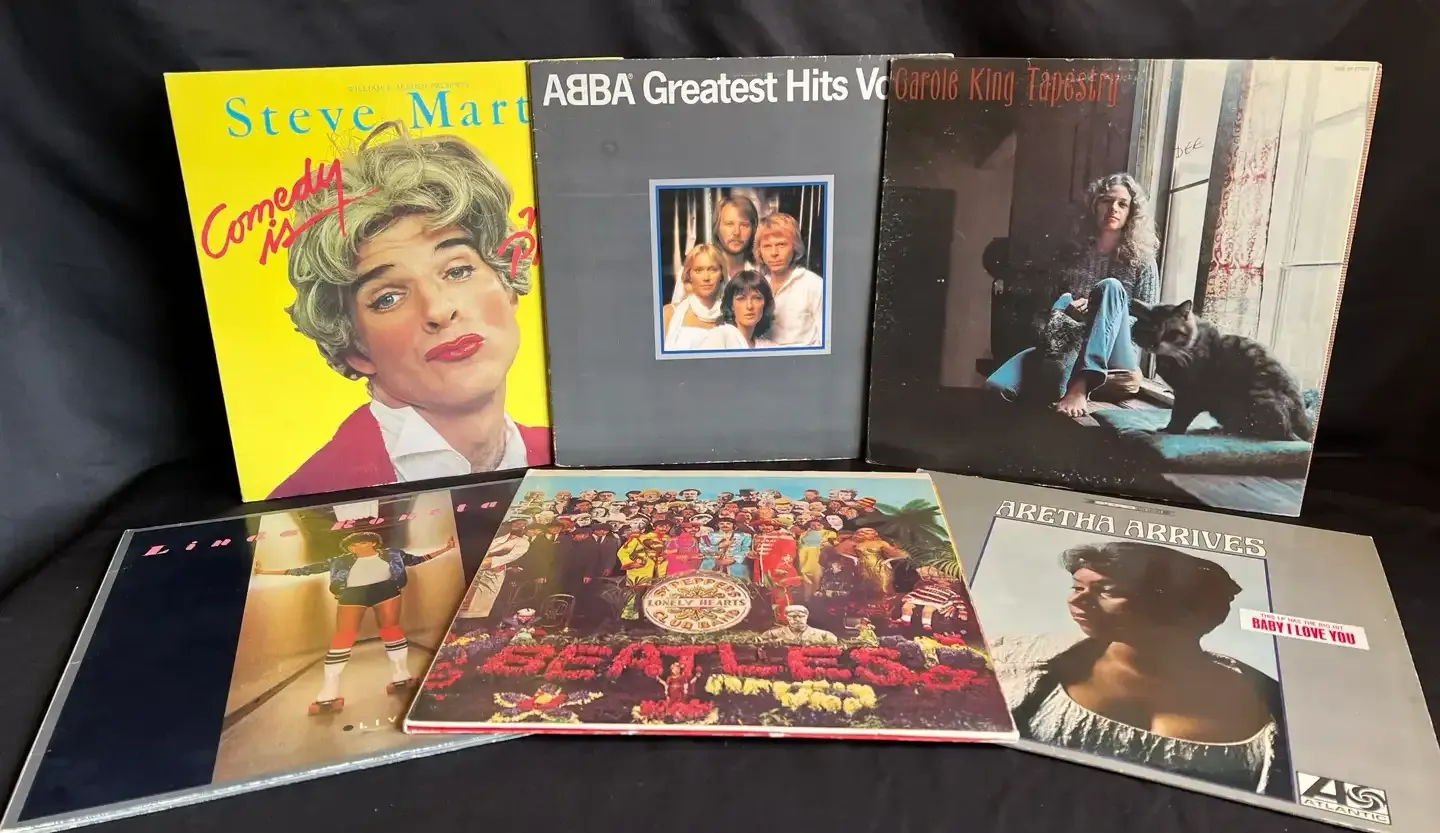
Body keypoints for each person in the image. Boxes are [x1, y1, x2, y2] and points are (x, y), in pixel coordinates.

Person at [269, 122, 550, 498]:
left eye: (458, 270)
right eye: (388, 297)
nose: (439, 310)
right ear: (355, 349)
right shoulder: (307, 499)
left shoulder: (569, 457)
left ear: (507, 283)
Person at [990, 540, 1290, 796]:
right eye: (1077, 586)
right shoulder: (1013, 658)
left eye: (1107, 590)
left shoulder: (1270, 702)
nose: (1077, 600)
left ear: (1172, 603)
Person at [984, 172, 1161, 418]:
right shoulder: (1071, 255)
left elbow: (1148, 326)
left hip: (1118, 356)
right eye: (1106, 201)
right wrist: (1066, 312)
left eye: (1123, 204)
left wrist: (1101, 314)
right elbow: (1042, 316)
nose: (1114, 209)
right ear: (1094, 206)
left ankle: (1081, 385)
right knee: (996, 387)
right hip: (1069, 343)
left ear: (1132, 212)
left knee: (1109, 288)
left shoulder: (1142, 260)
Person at [254, 531, 455, 711]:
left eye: (361, 543)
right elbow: (306, 570)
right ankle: (329, 690)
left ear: (373, 543)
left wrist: (446, 548)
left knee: (390, 629)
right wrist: (265, 572)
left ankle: (401, 674)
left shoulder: (393, 554)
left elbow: (417, 559)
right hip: (352, 595)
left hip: (386, 590)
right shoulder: (339, 561)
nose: (355, 547)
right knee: (344, 636)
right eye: (352, 545)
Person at [753, 212, 823, 347]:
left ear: (794, 247)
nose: (774, 253)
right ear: (759, 251)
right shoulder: (757, 285)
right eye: (767, 246)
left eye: (781, 245)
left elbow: (827, 342)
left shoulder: (814, 285)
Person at [662, 243, 727, 350]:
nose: (706, 277)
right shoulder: (669, 314)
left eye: (712, 269)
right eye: (699, 270)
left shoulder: (732, 317)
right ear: (689, 275)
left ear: (721, 275)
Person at [699, 270, 778, 350]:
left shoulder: (769, 347)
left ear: (765, 303)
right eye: (741, 299)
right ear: (731, 305)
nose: (749, 306)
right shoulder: (719, 336)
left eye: (757, 298)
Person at [713, 194, 759, 279]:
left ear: (753, 230)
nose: (737, 232)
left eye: (744, 225)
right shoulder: (701, 273)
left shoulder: (762, 273)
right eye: (729, 224)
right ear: (717, 228)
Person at [761, 604, 838, 645]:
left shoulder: (824, 635)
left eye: (801, 616)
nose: (797, 619)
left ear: (807, 616)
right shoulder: (772, 634)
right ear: (786, 617)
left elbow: (834, 643)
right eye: (793, 616)